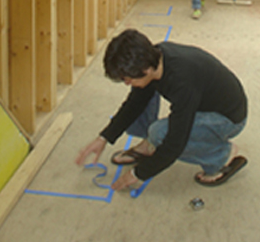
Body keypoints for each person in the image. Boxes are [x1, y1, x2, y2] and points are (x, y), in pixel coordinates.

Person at [75, 29, 248, 191]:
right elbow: (134, 104)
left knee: (159, 133)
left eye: (127, 79)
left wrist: (138, 174)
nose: (126, 83)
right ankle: (148, 145)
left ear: (145, 69)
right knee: (142, 93)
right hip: (201, 102)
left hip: (228, 119)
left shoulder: (182, 81)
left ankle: (221, 156)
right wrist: (104, 138)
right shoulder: (154, 58)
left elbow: (174, 145)